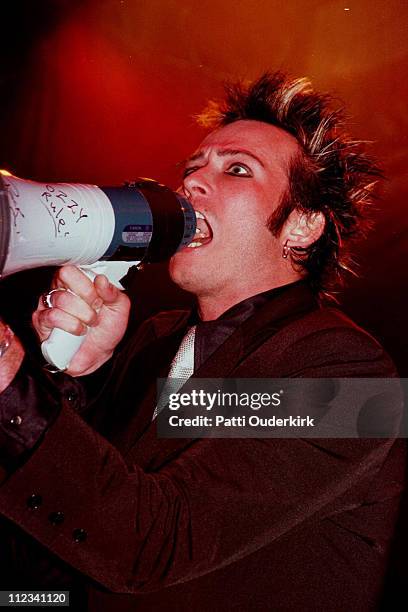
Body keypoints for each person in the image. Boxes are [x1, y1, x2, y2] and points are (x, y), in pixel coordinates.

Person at [0, 72, 404, 611]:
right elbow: (63, 545)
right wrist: (78, 380)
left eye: (236, 169)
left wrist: (9, 378)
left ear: (302, 225)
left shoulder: (353, 376)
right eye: (191, 170)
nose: (190, 184)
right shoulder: (154, 340)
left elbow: (150, 545)